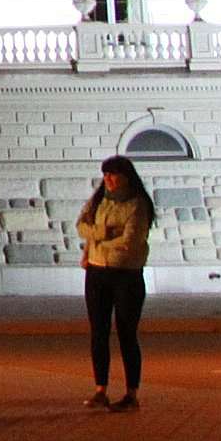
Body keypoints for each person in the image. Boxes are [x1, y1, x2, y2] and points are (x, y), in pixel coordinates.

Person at [78, 154, 156, 411]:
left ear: (126, 176)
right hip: (97, 273)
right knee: (98, 332)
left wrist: (99, 242)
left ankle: (131, 393)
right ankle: (101, 389)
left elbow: (130, 241)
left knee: (126, 333)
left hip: (127, 274)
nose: (108, 179)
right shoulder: (99, 199)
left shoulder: (137, 204)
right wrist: (104, 233)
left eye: (113, 174)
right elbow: (82, 226)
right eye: (105, 174)